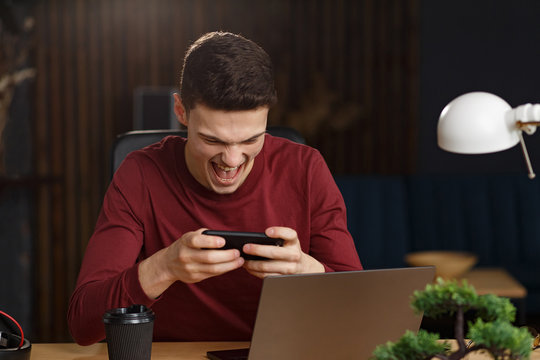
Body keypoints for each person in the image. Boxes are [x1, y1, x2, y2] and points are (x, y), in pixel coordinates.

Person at [68, 31, 362, 345]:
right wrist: (165, 266)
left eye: (251, 140)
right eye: (212, 140)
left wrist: (308, 273)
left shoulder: (306, 169)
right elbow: (84, 325)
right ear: (181, 112)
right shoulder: (140, 174)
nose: (232, 161)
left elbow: (363, 311)